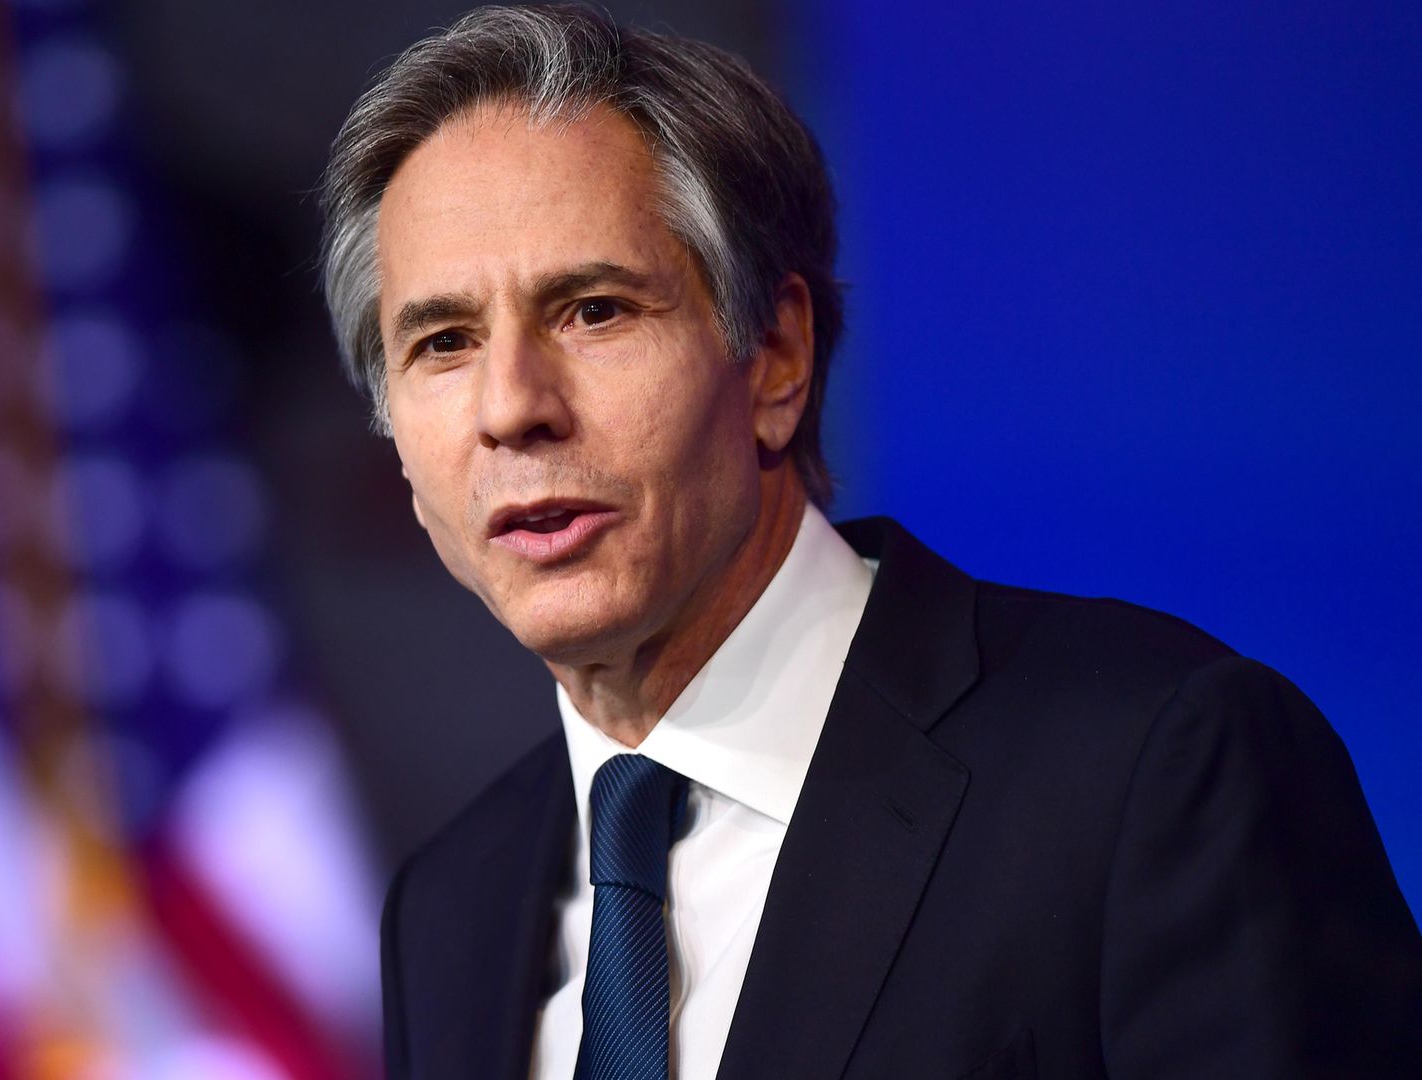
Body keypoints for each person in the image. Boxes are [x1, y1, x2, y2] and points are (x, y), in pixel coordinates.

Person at [316, 5, 1422, 1078]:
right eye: (444, 341)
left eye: (595, 310)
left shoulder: (1156, 769)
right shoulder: (454, 905)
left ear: (780, 356)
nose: (512, 406)